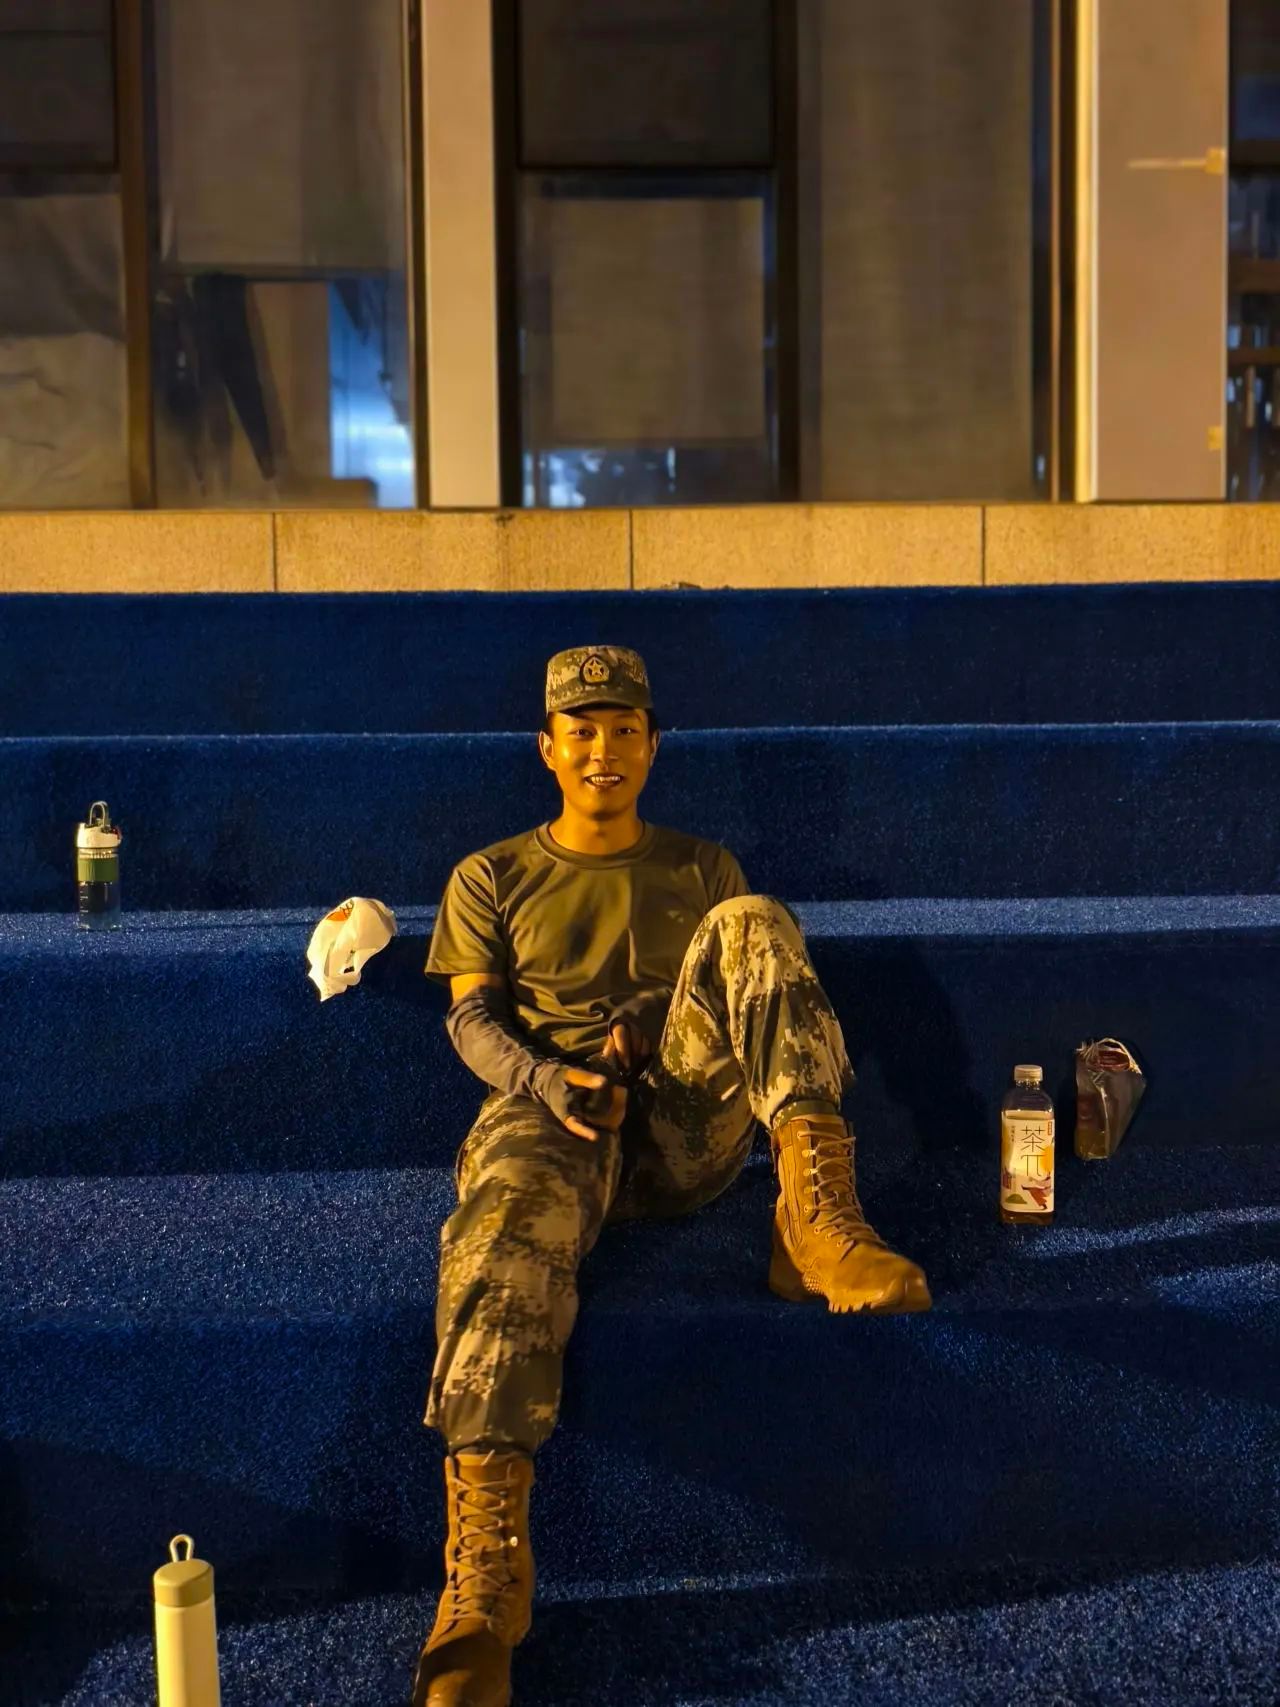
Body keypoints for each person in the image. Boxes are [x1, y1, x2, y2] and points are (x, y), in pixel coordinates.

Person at [410, 645, 931, 1707]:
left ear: (652, 746)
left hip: (684, 1124)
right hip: (551, 1113)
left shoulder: (703, 867)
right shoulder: (489, 874)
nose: (601, 749)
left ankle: (815, 1218)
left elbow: (729, 994)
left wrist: (649, 1022)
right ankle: (485, 1584)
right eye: (581, 731)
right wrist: (550, 1077)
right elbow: (470, 1019)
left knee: (754, 921)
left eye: (622, 730)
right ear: (547, 748)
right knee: (497, 1222)